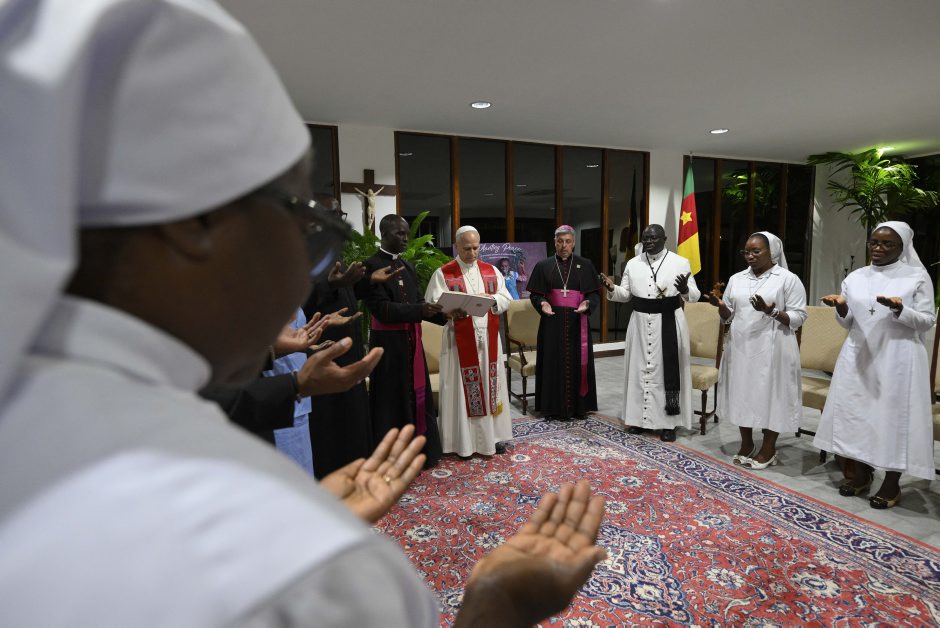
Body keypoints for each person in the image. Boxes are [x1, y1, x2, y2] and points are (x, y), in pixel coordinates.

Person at [0, 1, 609, 624]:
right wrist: (493, 610)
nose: (305, 268)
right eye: (304, 226)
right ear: (197, 227)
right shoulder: (306, 572)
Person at [814, 221, 936, 509]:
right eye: (874, 242)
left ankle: (891, 483)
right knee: (857, 415)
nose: (878, 248)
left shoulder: (916, 276)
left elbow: (927, 321)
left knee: (893, 420)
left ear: (902, 247)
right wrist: (841, 308)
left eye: (887, 244)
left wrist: (899, 309)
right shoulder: (856, 277)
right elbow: (849, 322)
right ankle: (861, 474)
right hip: (859, 354)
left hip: (898, 358)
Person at [707, 232, 807, 467]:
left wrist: (771, 311)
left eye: (756, 251)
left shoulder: (788, 279)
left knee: (772, 395)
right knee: (743, 392)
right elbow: (729, 316)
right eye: (747, 252)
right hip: (741, 345)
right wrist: (720, 307)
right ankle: (747, 443)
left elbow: (799, 316)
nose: (750, 256)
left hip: (774, 346)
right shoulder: (737, 279)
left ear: (772, 252)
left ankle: (769, 448)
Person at [359, 215, 446, 466]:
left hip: (411, 342)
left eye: (407, 233)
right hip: (388, 346)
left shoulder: (407, 266)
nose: (406, 238)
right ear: (384, 234)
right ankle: (393, 458)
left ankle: (423, 453)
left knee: (417, 394)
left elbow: (418, 301)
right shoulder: (370, 267)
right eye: (400, 233)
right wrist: (420, 311)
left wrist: (445, 314)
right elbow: (382, 310)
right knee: (391, 399)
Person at [600, 224, 700, 442]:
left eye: (653, 238)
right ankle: (638, 420)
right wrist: (611, 288)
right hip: (639, 323)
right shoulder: (633, 263)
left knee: (665, 372)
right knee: (638, 371)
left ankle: (668, 423)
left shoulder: (680, 262)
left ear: (665, 239)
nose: (649, 242)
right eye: (645, 238)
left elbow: (694, 295)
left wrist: (684, 289)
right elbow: (625, 295)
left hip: (668, 321)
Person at [302, 197, 375, 478]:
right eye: (332, 214)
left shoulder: (334, 252)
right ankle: (332, 474)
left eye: (340, 213)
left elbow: (346, 294)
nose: (338, 219)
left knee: (352, 411)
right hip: (323, 348)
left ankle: (355, 466)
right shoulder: (303, 254)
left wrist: (364, 282)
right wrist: (332, 285)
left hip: (349, 346)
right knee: (330, 418)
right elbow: (298, 305)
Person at [426, 226, 513, 457]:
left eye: (476, 248)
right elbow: (431, 304)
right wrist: (447, 311)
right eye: (467, 249)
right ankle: (461, 443)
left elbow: (506, 298)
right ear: (457, 246)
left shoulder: (491, 271)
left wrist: (491, 299)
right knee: (461, 390)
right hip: (459, 341)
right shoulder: (443, 274)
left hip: (488, 340)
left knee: (490, 388)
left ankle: (493, 438)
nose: (473, 253)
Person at [526, 225, 601, 420]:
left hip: (578, 322)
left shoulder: (585, 265)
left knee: (579, 363)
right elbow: (535, 295)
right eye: (560, 241)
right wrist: (542, 303)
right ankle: (552, 407)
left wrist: (587, 303)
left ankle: (580, 407)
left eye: (567, 241)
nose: (564, 245)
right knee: (552, 363)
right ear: (555, 242)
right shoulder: (543, 266)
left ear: (573, 243)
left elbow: (594, 295)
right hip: (552, 323)